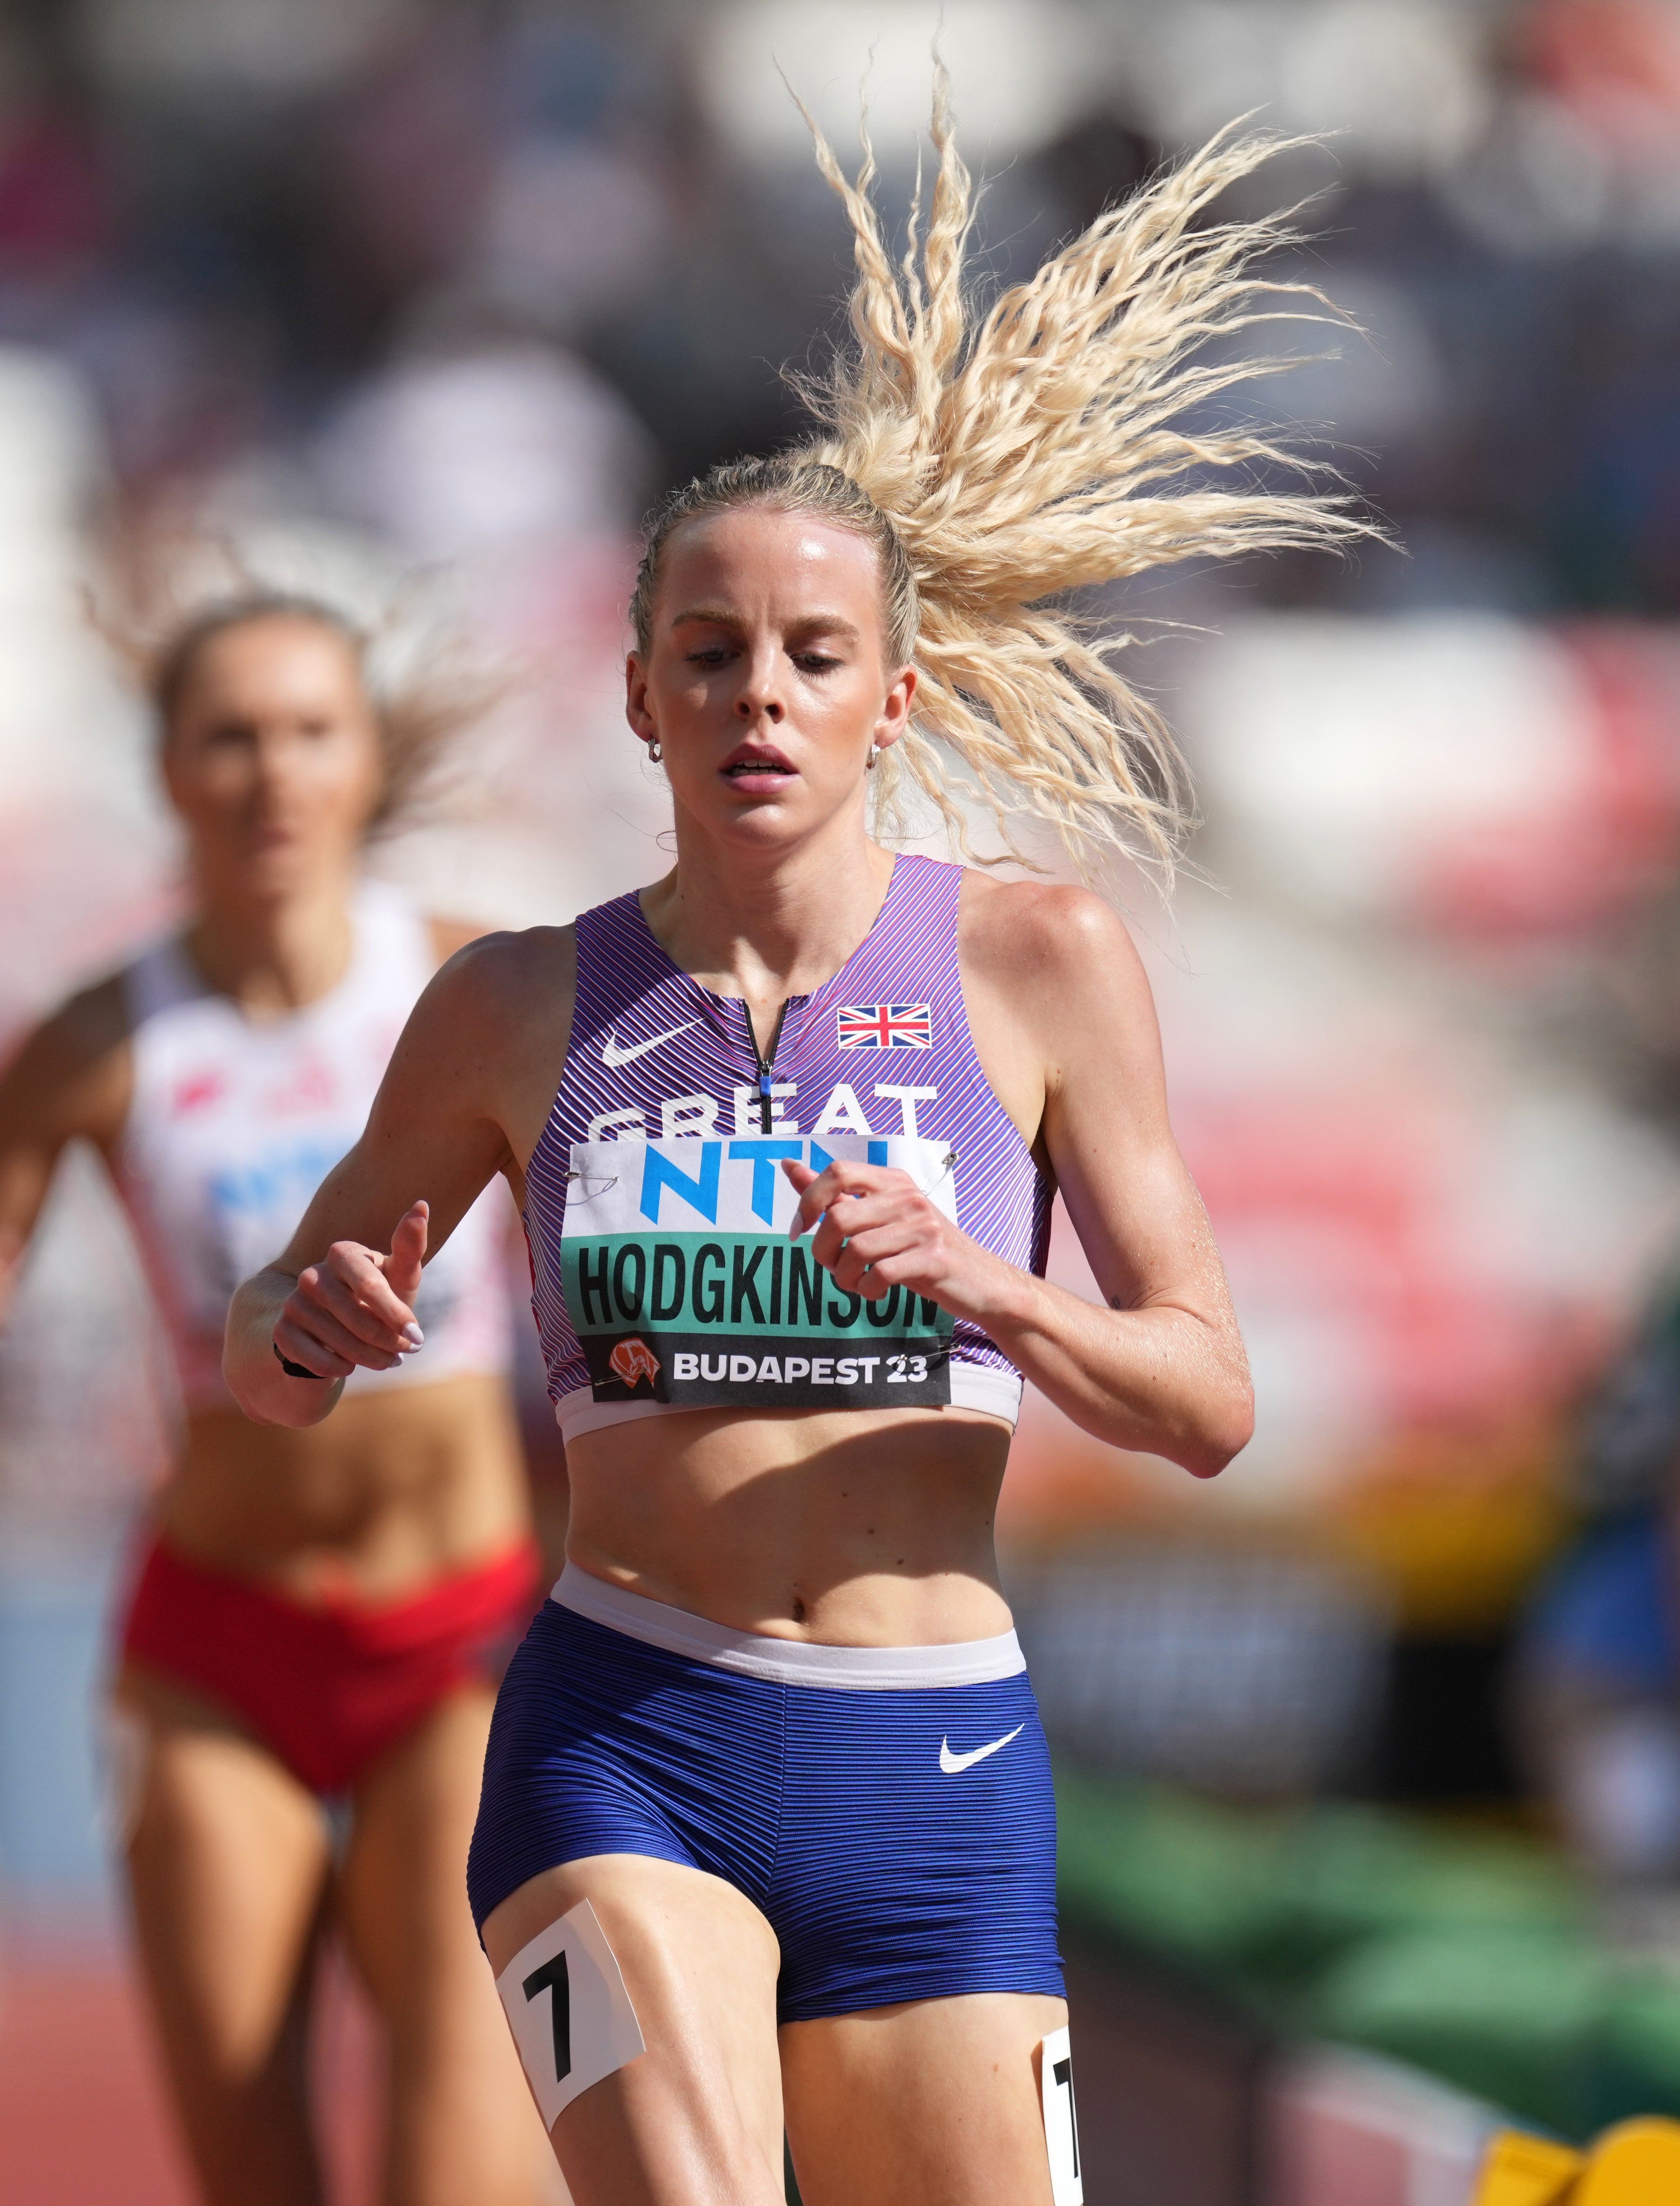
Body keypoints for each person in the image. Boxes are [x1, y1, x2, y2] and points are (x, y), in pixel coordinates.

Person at [225, 90, 1365, 2206]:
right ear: (640, 701)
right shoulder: (514, 1004)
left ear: (891, 701)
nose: (760, 697)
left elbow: (1205, 1398)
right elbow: (265, 1348)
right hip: (621, 1740)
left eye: (811, 659)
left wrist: (984, 1279)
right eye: (708, 656)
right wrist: (312, 1316)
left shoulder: (1033, 965)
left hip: (935, 1769)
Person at [0, 593, 555, 2206]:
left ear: (367, 765)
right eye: (232, 737)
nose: (274, 775)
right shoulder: (90, 1044)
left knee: (457, 2179)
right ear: (171, 774)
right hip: (218, 1652)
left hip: (458, 1654)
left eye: (311, 733)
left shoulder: (478, 990)